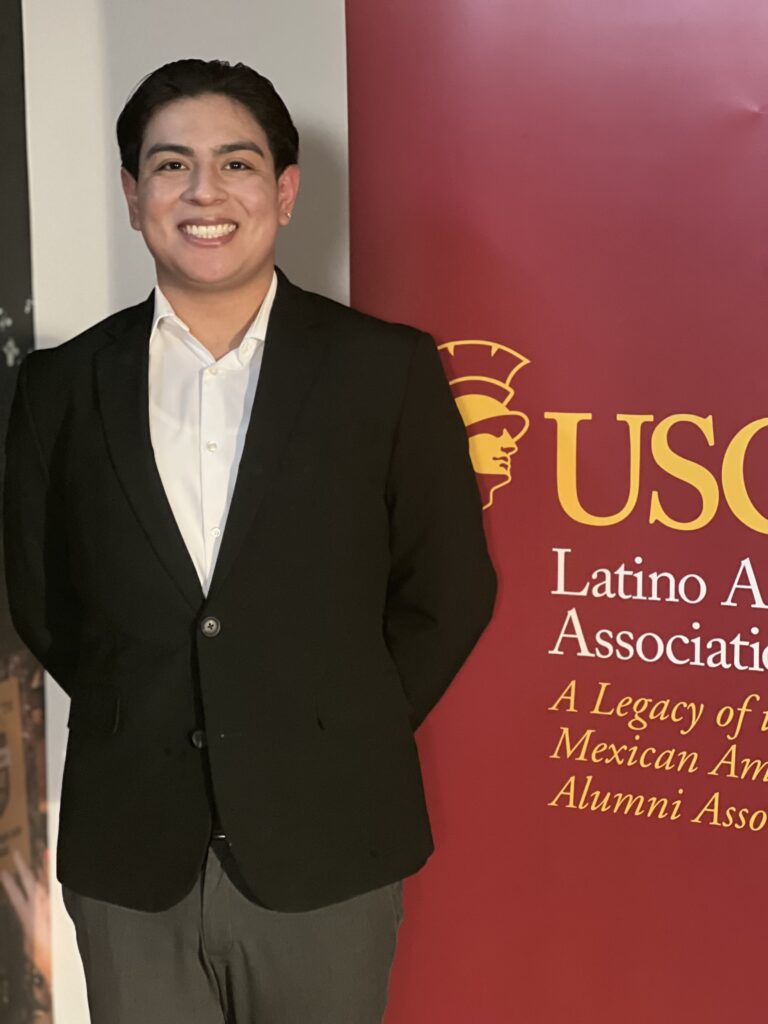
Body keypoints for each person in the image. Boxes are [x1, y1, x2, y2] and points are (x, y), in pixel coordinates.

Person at [3, 59, 496, 1024]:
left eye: (236, 163)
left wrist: (332, 725)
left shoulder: (385, 370)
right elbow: (44, 596)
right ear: (133, 194)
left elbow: (448, 590)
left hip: (330, 844)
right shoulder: (59, 386)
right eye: (171, 165)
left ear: (285, 190)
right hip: (130, 855)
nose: (205, 192)